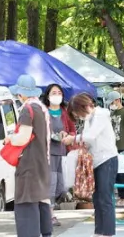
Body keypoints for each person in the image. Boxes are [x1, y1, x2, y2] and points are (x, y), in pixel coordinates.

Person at [5, 75, 52, 237]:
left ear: (21, 94)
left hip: (29, 165)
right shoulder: (42, 108)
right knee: (42, 201)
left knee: (26, 204)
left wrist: (10, 138)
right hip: (42, 163)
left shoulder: (27, 109)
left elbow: (23, 138)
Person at [69, 93, 119, 237]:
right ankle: (99, 231)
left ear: (83, 107)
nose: (78, 116)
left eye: (77, 113)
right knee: (97, 199)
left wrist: (73, 139)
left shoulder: (100, 115)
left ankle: (108, 233)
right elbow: (88, 139)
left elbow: (90, 136)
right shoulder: (89, 119)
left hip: (107, 159)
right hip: (96, 161)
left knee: (105, 198)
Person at [41, 84, 76, 227]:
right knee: (51, 184)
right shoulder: (42, 112)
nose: (57, 95)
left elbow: (73, 131)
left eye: (59, 92)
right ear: (48, 96)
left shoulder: (65, 113)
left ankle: (49, 212)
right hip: (47, 154)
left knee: (61, 187)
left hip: (62, 152)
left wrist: (68, 135)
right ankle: (50, 215)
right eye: (54, 92)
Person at [107, 90, 124, 208]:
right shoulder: (111, 114)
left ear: (117, 100)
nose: (111, 105)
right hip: (112, 147)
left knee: (123, 173)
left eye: (112, 102)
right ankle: (120, 196)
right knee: (115, 173)